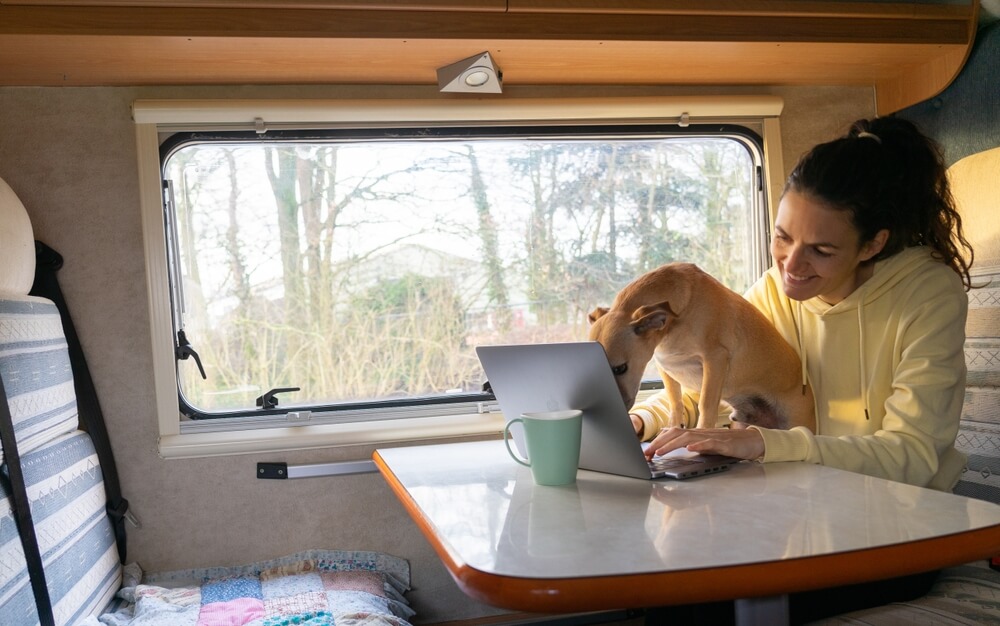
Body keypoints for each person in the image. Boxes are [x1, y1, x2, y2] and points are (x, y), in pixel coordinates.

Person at [635, 117, 975, 623]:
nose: (791, 265)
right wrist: (644, 421)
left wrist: (768, 443)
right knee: (673, 590)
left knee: (705, 605)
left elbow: (914, 457)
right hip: (796, 505)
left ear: (873, 245)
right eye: (782, 237)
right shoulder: (777, 289)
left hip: (900, 529)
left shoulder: (928, 295)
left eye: (821, 250)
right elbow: (716, 378)